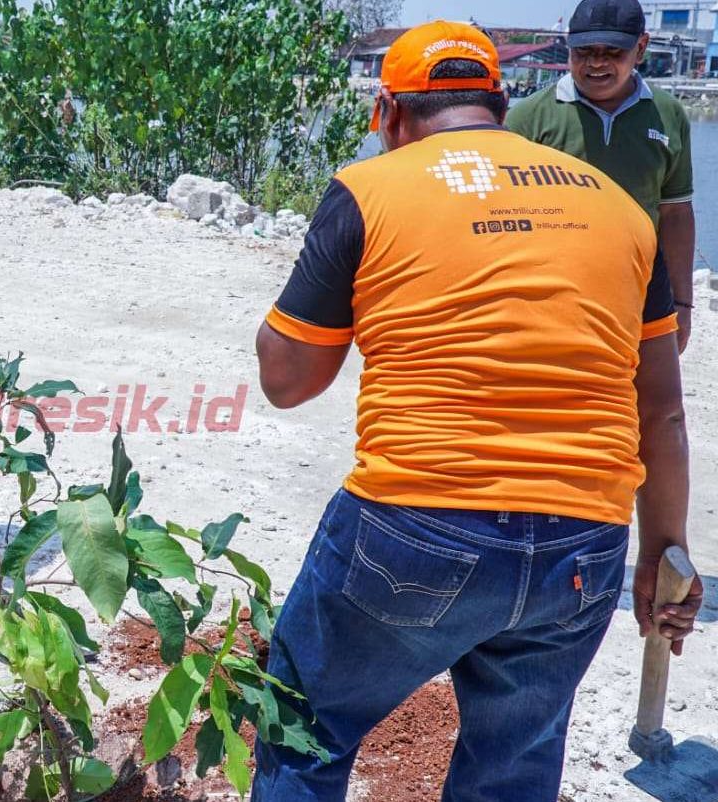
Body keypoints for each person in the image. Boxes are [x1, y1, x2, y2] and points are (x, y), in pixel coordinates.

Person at [250, 21, 703, 800]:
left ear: (388, 112)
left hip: (415, 525)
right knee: (512, 772)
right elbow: (660, 411)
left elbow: (288, 380)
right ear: (499, 103)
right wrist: (664, 554)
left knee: (304, 730)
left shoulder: (370, 188)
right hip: (585, 547)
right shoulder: (625, 213)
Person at [508, 0, 697, 352]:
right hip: (549, 292)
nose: (596, 63)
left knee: (649, 402)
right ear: (568, 45)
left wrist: (683, 304)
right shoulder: (528, 118)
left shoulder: (668, 115)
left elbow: (675, 212)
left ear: (640, 48)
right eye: (584, 52)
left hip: (641, 290)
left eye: (612, 52)